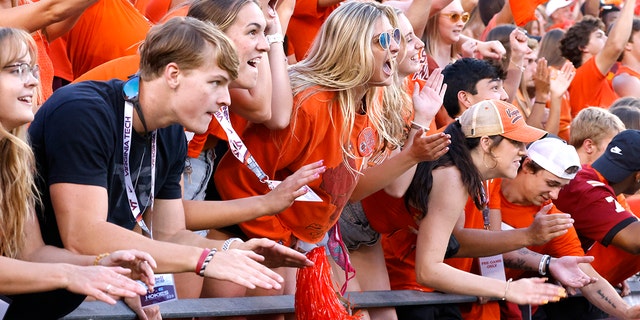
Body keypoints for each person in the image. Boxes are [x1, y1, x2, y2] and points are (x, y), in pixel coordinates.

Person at [28, 17, 312, 320]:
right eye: (216, 82)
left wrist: (231, 250)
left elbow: (170, 234)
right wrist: (204, 259)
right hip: (24, 293)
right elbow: (83, 234)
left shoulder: (170, 134)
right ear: (173, 74)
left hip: (79, 295)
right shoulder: (84, 111)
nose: (225, 99)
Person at [215, 2, 449, 319]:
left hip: (305, 244)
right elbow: (236, 178)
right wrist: (282, 243)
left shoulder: (368, 105)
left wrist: (412, 152)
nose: (395, 46)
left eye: (395, 36)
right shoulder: (309, 103)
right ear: (352, 46)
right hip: (249, 235)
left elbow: (347, 190)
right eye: (382, 40)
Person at [0, 26, 158, 319]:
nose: (34, 81)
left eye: (32, 70)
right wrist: (69, 275)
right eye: (16, 70)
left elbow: (32, 254)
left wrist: (102, 267)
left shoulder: (14, 160)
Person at [495, 137, 640, 319]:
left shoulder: (553, 218)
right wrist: (535, 245)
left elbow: (584, 275)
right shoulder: (488, 189)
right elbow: (471, 243)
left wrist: (625, 312)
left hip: (500, 307)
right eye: (551, 184)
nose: (554, 195)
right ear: (527, 166)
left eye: (561, 188)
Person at [555, 129, 640, 303]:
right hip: (533, 285)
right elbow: (636, 241)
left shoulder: (588, 175)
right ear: (638, 176)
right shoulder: (590, 191)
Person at [560, 0, 636, 117]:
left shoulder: (598, 77)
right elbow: (615, 45)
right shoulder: (583, 76)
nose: (606, 39)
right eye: (599, 36)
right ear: (583, 47)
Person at [441, 57, 508, 120]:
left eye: (503, 88)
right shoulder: (450, 132)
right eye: (495, 88)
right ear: (465, 98)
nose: (505, 96)